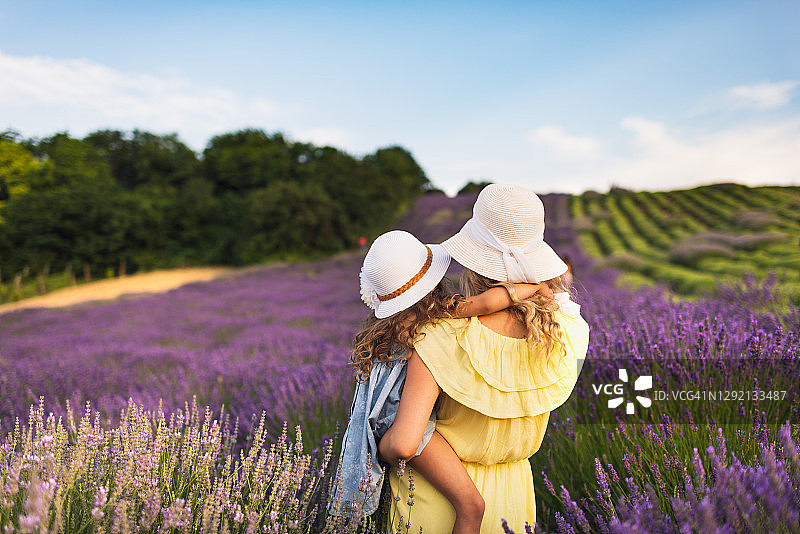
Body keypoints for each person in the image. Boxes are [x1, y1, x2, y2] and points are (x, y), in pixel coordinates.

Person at [379, 184, 590, 532]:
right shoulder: (570, 331)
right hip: (515, 500)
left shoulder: (438, 337)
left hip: (434, 498)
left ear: (474, 261)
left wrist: (381, 443)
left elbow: (403, 444)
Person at [332, 230, 554, 533]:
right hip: (413, 429)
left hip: (387, 421)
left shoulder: (386, 330)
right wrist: (531, 287)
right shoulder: (435, 317)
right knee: (471, 505)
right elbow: (487, 304)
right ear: (432, 281)